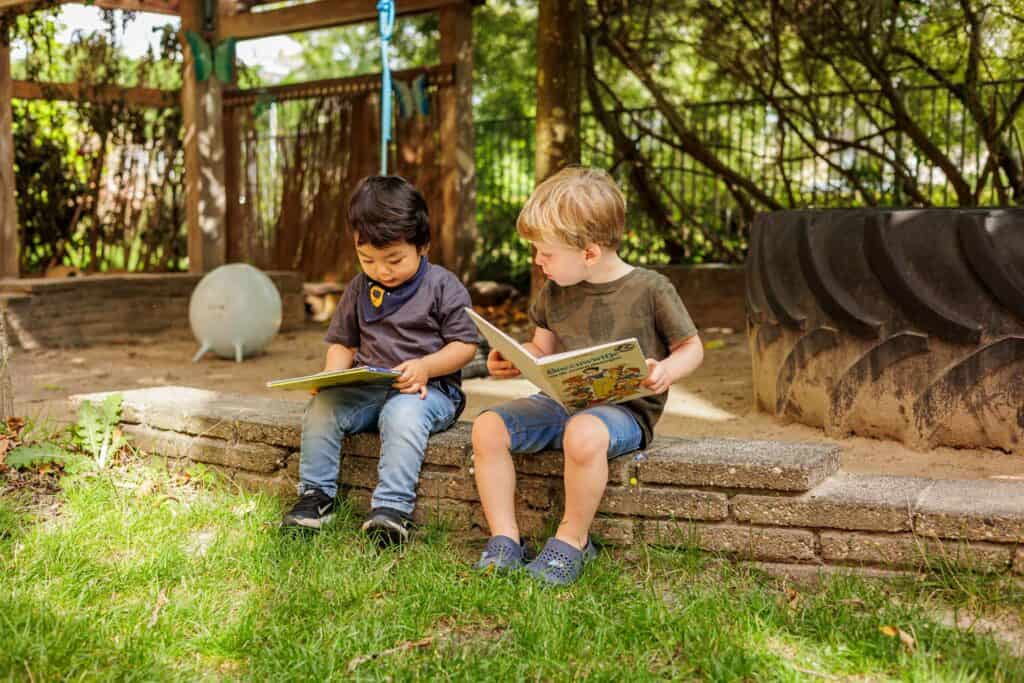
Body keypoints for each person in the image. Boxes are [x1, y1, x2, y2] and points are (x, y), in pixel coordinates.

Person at [471, 166, 704, 585]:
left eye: (546, 253)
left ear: (590, 253)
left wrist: (665, 371)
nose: (538, 262)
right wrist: (511, 360)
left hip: (624, 411)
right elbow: (542, 352)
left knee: (582, 433)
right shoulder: (555, 291)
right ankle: (504, 538)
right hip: (564, 400)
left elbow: (692, 349)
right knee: (487, 427)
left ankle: (572, 541)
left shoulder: (651, 289)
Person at [281, 176, 479, 545]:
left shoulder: (442, 285)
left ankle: (391, 510)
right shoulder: (359, 288)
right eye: (367, 259)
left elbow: (465, 346)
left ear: (423, 245)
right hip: (369, 388)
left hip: (429, 391)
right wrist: (330, 377)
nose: (381, 271)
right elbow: (342, 343)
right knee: (323, 407)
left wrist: (426, 366)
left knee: (400, 415)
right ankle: (315, 497)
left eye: (394, 260)